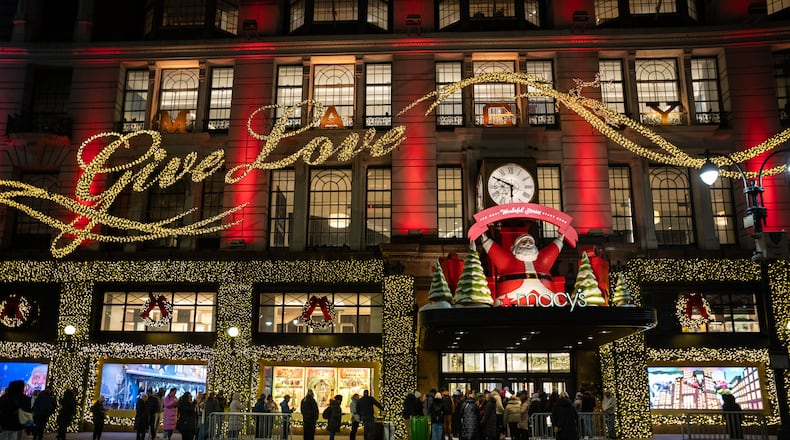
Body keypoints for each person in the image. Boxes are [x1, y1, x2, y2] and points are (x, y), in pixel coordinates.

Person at [480, 232, 565, 304]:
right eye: (524, 241)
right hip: (510, 296)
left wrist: (560, 239)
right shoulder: (508, 260)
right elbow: (495, 251)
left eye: (530, 241)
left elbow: (552, 251)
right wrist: (485, 240)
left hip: (546, 293)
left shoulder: (542, 260)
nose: (528, 243)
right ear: (516, 246)